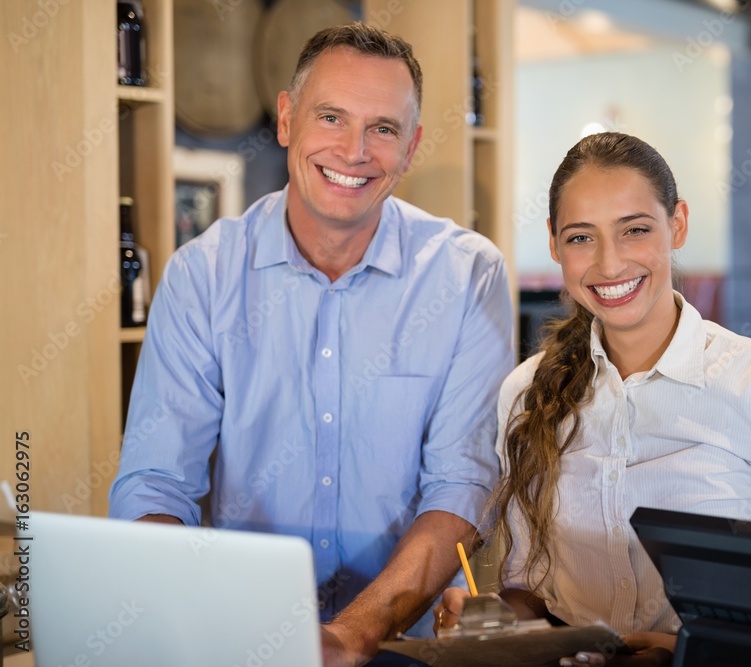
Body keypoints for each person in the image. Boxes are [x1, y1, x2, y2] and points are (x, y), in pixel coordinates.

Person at [109, 23, 514, 666]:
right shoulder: (202, 276)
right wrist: (187, 616)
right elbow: (157, 484)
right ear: (286, 120)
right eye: (331, 117)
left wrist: (354, 634)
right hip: (237, 642)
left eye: (383, 128)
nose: (354, 151)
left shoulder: (469, 277)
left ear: (410, 147)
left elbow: (461, 484)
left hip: (407, 649)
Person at [434, 132, 751, 665]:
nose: (610, 264)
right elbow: (533, 595)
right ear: (554, 244)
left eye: (635, 230)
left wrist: (685, 649)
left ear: (677, 224)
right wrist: (489, 620)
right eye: (581, 237)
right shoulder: (525, 391)